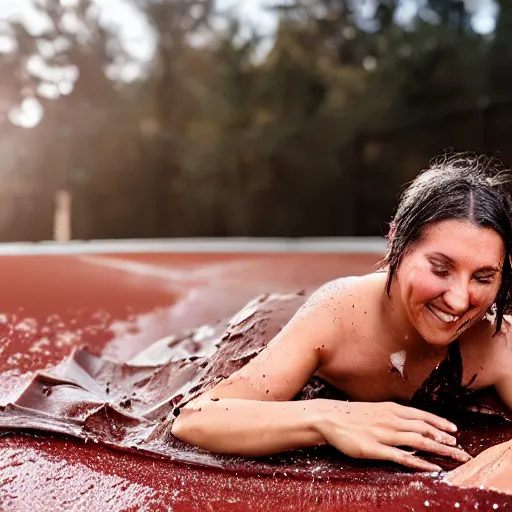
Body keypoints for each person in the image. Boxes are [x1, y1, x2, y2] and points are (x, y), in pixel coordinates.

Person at [171, 151, 512, 473]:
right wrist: (328, 418)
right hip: (269, 329)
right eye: (440, 269)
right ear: (396, 243)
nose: (458, 301)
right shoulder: (338, 313)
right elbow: (197, 418)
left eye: (483, 278)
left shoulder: (496, 343)